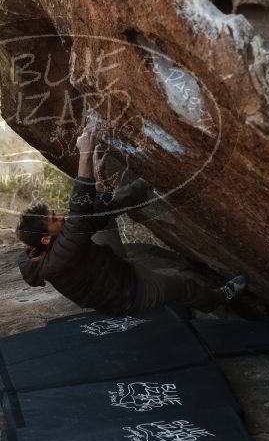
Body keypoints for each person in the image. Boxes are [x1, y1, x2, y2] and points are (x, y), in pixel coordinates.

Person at [15, 125, 247, 317]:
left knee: (100, 217)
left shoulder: (47, 247)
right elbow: (78, 213)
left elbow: (87, 217)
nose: (60, 216)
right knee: (182, 284)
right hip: (130, 294)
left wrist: (99, 180)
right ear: (46, 238)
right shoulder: (58, 260)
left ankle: (148, 187)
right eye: (54, 219)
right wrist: (84, 155)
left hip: (109, 267)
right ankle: (218, 299)